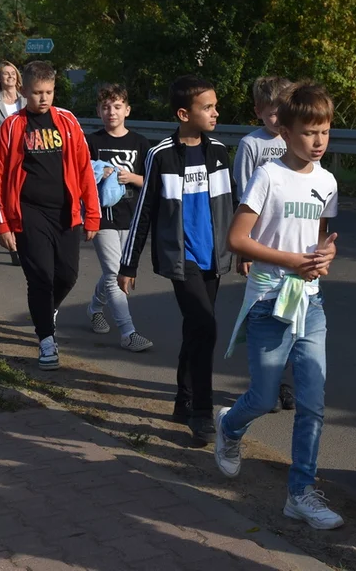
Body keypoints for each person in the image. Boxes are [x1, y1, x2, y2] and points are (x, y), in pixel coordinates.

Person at [215, 82, 343, 529]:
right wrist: (291, 260)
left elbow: (322, 240)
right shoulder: (268, 176)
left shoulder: (326, 180)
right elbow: (237, 239)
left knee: (313, 402)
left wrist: (325, 256)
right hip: (270, 299)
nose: (318, 141)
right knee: (265, 397)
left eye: (325, 131)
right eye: (309, 132)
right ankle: (230, 425)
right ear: (285, 132)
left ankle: (300, 492)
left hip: (310, 303)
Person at [118, 75, 235, 447]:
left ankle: (182, 401)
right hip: (181, 258)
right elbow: (145, 211)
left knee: (196, 329)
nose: (216, 113)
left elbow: (231, 209)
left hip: (212, 259)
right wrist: (128, 263)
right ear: (184, 113)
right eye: (208, 107)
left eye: (215, 106)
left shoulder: (219, 151)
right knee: (206, 326)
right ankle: (201, 410)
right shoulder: (161, 154)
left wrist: (241, 251)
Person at [0, 61, 99, 370]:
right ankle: (46, 339)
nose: (43, 98)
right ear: (24, 91)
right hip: (28, 213)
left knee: (67, 274)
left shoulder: (67, 122)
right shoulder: (12, 126)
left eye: (49, 92)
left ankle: (46, 310)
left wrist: (91, 214)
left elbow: (84, 169)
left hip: (65, 212)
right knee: (40, 276)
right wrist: (3, 224)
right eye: (37, 92)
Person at [234, 75, 297, 412]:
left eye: (282, 113)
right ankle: (263, 384)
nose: (277, 120)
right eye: (272, 114)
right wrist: (244, 250)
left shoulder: (293, 140)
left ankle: (280, 382)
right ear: (258, 111)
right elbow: (245, 197)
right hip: (259, 244)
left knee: (287, 316)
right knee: (262, 315)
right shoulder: (251, 145)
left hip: (288, 244)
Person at [85, 83, 154, 352]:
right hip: (102, 216)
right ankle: (128, 332)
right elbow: (79, 177)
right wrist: (95, 175)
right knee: (115, 273)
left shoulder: (140, 143)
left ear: (127, 110)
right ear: (99, 111)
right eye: (105, 107)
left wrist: (133, 177)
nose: (111, 112)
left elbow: (152, 181)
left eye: (116, 107)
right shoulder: (92, 142)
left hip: (131, 216)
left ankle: (94, 308)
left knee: (113, 270)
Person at [0, 62, 26, 266]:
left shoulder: (26, 100)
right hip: (3, 155)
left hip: (24, 155)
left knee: (22, 200)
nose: (9, 77)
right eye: (5, 74)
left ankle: (23, 240)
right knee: (7, 200)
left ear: (18, 78)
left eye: (13, 74)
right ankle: (13, 247)